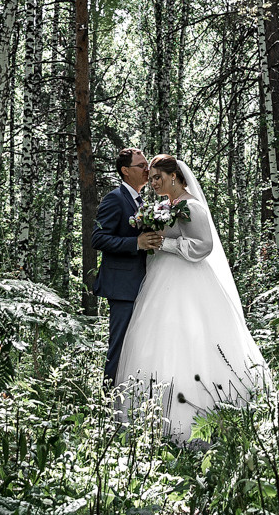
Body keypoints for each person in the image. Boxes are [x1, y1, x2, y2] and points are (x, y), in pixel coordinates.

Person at [112, 153, 268, 440]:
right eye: (152, 177)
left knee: (194, 339)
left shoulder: (191, 206)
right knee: (159, 339)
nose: (154, 182)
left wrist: (165, 244)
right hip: (161, 280)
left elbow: (203, 246)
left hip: (189, 280)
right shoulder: (164, 206)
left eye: (158, 177)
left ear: (175, 176)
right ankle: (151, 417)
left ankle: (201, 417)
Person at [91, 147, 163, 384]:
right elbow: (98, 238)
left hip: (142, 283)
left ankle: (129, 399)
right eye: (141, 166)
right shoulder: (115, 199)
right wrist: (137, 243)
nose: (147, 170)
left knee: (138, 346)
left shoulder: (141, 201)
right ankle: (107, 402)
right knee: (119, 346)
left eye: (146, 165)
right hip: (122, 287)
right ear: (125, 171)